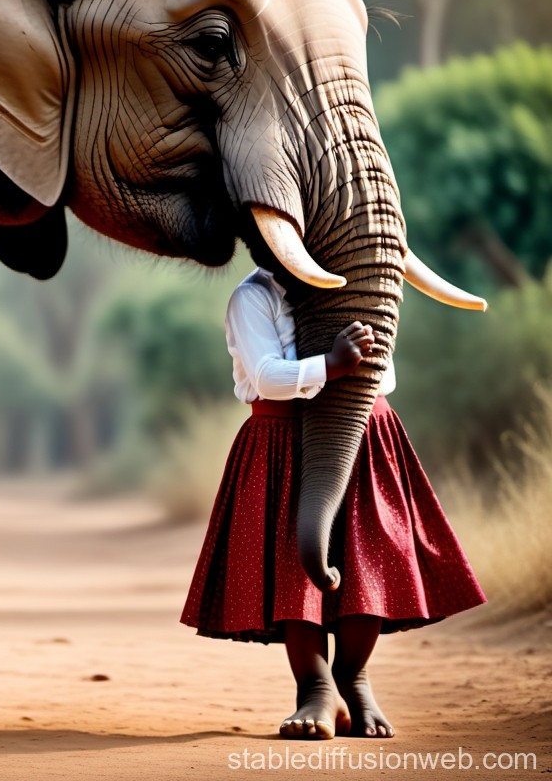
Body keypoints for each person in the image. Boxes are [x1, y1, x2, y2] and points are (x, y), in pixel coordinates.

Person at [180, 261, 486, 740]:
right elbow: (265, 377)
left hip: (362, 429)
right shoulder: (253, 297)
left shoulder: (362, 277)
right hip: (283, 438)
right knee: (293, 569)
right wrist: (331, 365)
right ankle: (316, 687)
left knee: (373, 556)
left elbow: (382, 370)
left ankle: (354, 677)